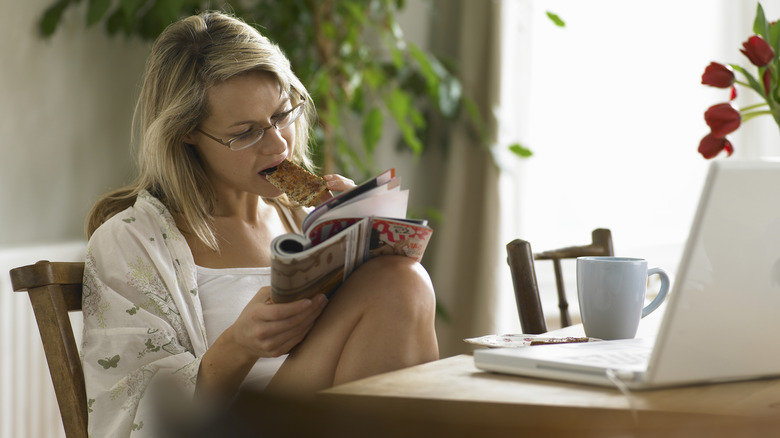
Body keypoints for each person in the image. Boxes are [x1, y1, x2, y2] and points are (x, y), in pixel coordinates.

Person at [81, 11, 439, 437]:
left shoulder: (304, 218)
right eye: (245, 132)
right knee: (400, 284)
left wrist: (363, 235)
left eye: (282, 114)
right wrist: (239, 344)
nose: (278, 144)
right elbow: (132, 414)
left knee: (403, 279)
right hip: (226, 427)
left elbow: (383, 335)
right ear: (187, 134)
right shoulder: (129, 242)